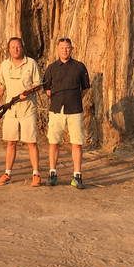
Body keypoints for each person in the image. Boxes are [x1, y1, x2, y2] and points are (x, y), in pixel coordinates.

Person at [0, 37, 43, 187]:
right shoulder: (4, 65)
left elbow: (38, 84)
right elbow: (0, 86)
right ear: (9, 49)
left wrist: (28, 92)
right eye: (13, 47)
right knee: (11, 142)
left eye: (18, 47)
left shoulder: (31, 63)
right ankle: (7, 173)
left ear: (22, 47)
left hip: (28, 108)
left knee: (31, 142)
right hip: (11, 110)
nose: (16, 49)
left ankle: (36, 174)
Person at [43, 37, 90, 189]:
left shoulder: (79, 67)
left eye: (67, 47)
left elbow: (85, 88)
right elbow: (47, 89)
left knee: (76, 142)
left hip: (75, 109)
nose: (65, 50)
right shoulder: (51, 68)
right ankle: (52, 173)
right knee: (54, 142)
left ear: (71, 49)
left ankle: (77, 175)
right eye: (62, 47)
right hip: (56, 109)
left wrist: (74, 98)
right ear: (57, 49)